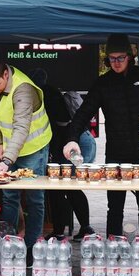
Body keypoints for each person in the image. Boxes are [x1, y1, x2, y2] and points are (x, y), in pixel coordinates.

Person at [64, 34, 139, 237]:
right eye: (111, 59)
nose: (116, 63)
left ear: (130, 56)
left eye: (120, 58)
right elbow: (82, 114)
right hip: (116, 153)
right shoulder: (103, 83)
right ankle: (114, 249)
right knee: (114, 207)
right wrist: (72, 138)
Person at [0, 59, 52, 250]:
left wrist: (6, 161)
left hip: (34, 148)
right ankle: (10, 244)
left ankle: (32, 247)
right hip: (10, 149)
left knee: (34, 198)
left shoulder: (23, 89)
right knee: (9, 196)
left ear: (6, 75)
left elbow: (22, 127)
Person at [30, 68, 93, 240]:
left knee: (64, 187)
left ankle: (63, 231)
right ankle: (73, 229)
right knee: (68, 186)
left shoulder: (42, 96)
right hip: (81, 140)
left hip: (72, 144)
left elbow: (57, 127)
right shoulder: (52, 91)